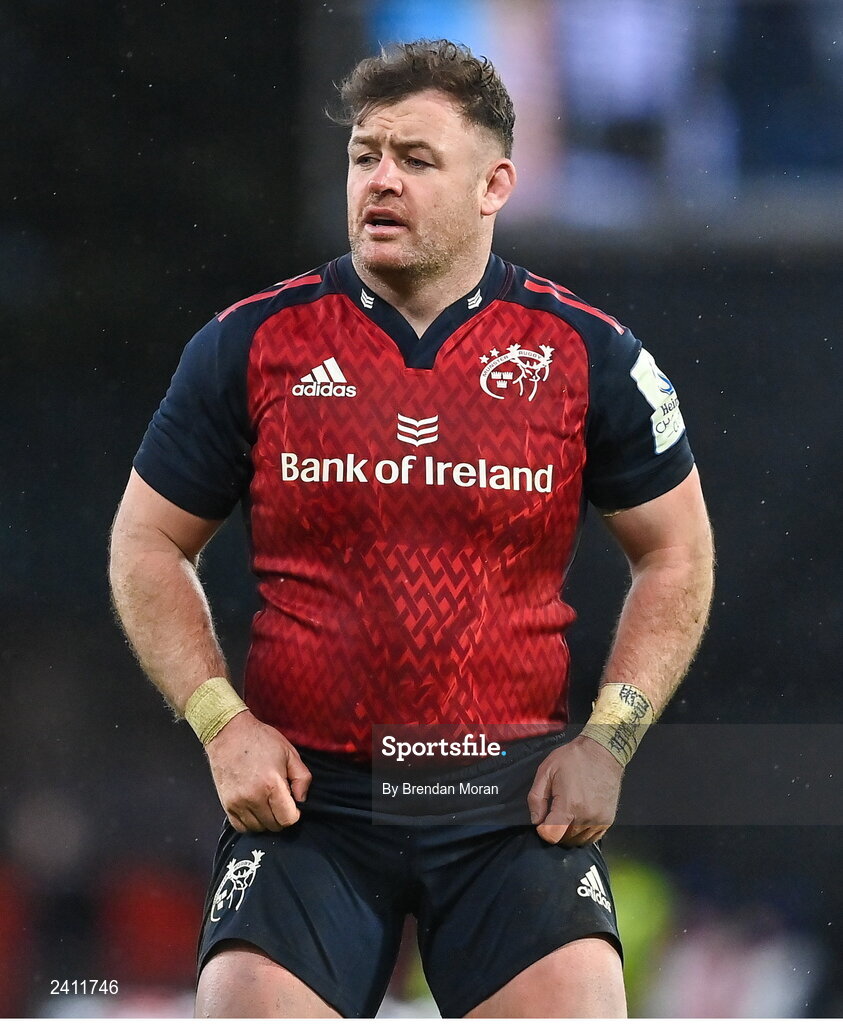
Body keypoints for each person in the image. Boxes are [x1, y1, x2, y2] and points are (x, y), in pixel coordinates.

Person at [109, 39, 714, 1019]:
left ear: (495, 184)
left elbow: (677, 551)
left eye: (416, 159)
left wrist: (609, 740)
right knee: (242, 1005)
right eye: (364, 156)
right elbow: (145, 542)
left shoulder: (585, 353)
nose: (380, 180)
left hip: (505, 802)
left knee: (583, 1003)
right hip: (312, 802)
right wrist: (222, 725)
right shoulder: (249, 344)